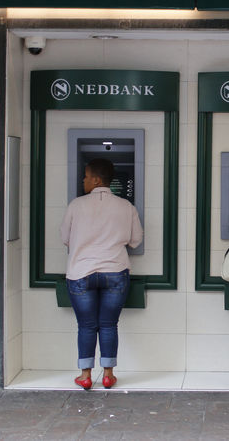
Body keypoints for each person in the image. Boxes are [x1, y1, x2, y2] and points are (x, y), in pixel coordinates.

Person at [60, 158, 143, 390]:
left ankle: (85, 376)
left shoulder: (76, 205)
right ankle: (108, 375)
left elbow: (65, 238)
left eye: (86, 176)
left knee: (86, 326)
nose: (83, 180)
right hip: (115, 272)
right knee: (108, 324)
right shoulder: (126, 206)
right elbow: (136, 240)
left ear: (96, 180)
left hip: (81, 273)